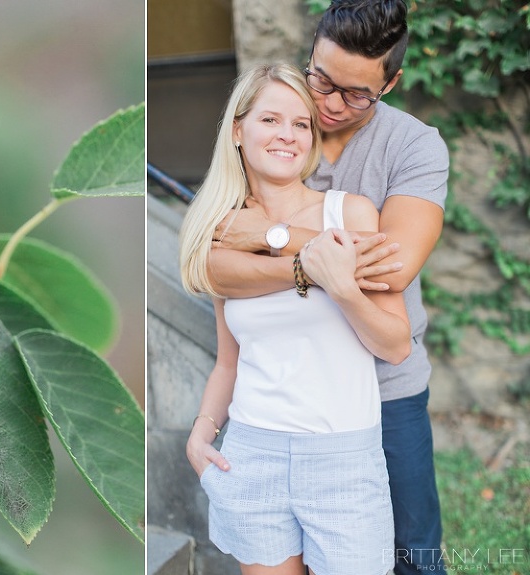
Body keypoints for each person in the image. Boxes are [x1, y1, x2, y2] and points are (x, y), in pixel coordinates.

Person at [206, 2, 449, 573]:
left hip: (386, 386)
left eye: (356, 94)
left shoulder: (413, 146)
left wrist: (268, 234)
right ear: (310, 57)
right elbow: (213, 262)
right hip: (284, 399)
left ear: (390, 83)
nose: (330, 104)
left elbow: (391, 268)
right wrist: (316, 258)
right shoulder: (282, 129)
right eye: (321, 79)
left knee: (413, 553)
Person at [180, 62, 411, 575]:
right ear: (237, 130)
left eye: (301, 123)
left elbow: (396, 346)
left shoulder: (349, 214)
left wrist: (340, 286)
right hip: (253, 452)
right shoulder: (222, 231)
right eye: (270, 120)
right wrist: (200, 433)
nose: (287, 134)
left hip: (343, 461)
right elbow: (228, 362)